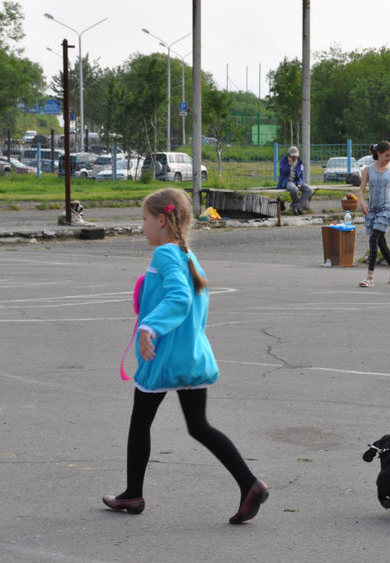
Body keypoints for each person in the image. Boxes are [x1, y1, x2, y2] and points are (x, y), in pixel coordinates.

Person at [104, 188, 268, 525]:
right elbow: (196, 308)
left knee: (140, 423)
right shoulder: (187, 254)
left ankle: (133, 493)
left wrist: (150, 327)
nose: (143, 226)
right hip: (192, 357)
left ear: (162, 220)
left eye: (145, 219)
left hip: (164, 360)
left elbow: (179, 300)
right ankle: (249, 484)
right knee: (199, 426)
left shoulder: (165, 253)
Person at [357, 141, 390, 287]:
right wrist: (362, 202)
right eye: (387, 155)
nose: (389, 158)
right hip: (372, 209)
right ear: (379, 154)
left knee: (374, 238)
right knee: (380, 241)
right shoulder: (368, 169)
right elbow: (362, 190)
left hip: (385, 209)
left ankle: (369, 277)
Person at [277, 146, 314, 215]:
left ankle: (296, 206)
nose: (294, 158)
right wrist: (289, 164)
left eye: (295, 156)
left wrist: (300, 183)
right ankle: (297, 207)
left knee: (309, 190)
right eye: (293, 156)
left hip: (297, 181)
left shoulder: (300, 162)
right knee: (294, 190)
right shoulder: (284, 161)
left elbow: (302, 175)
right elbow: (282, 172)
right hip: (287, 181)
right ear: (289, 155)